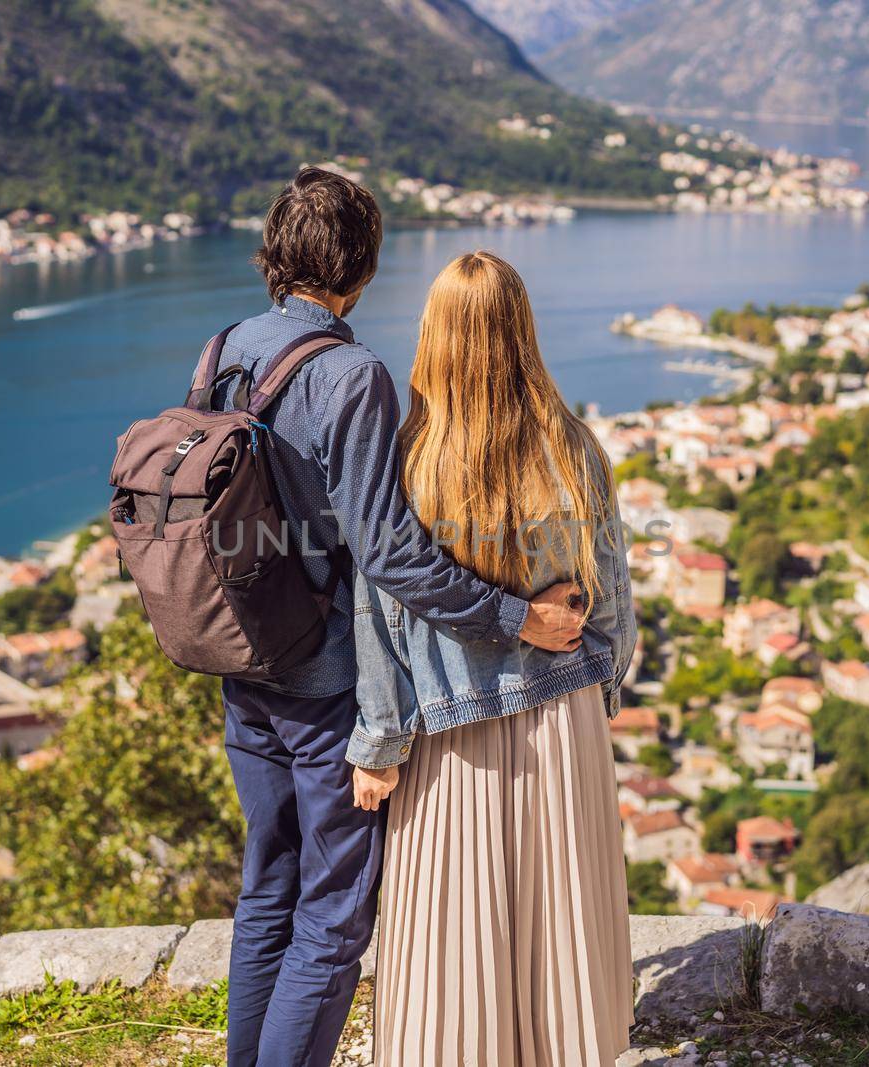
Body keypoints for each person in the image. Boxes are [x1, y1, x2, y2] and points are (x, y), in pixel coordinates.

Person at [209, 169, 588, 1067]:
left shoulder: (222, 349)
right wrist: (515, 616)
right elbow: (392, 561)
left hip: (241, 660)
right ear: (363, 268)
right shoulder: (354, 376)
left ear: (274, 254)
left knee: (267, 889)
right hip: (324, 678)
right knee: (333, 914)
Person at [348, 251, 637, 1065]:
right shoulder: (573, 446)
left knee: (457, 928)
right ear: (523, 330)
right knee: (563, 918)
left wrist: (379, 740)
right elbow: (608, 591)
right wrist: (600, 678)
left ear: (434, 335)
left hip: (450, 730)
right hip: (563, 712)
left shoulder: (407, 458)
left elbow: (378, 610)